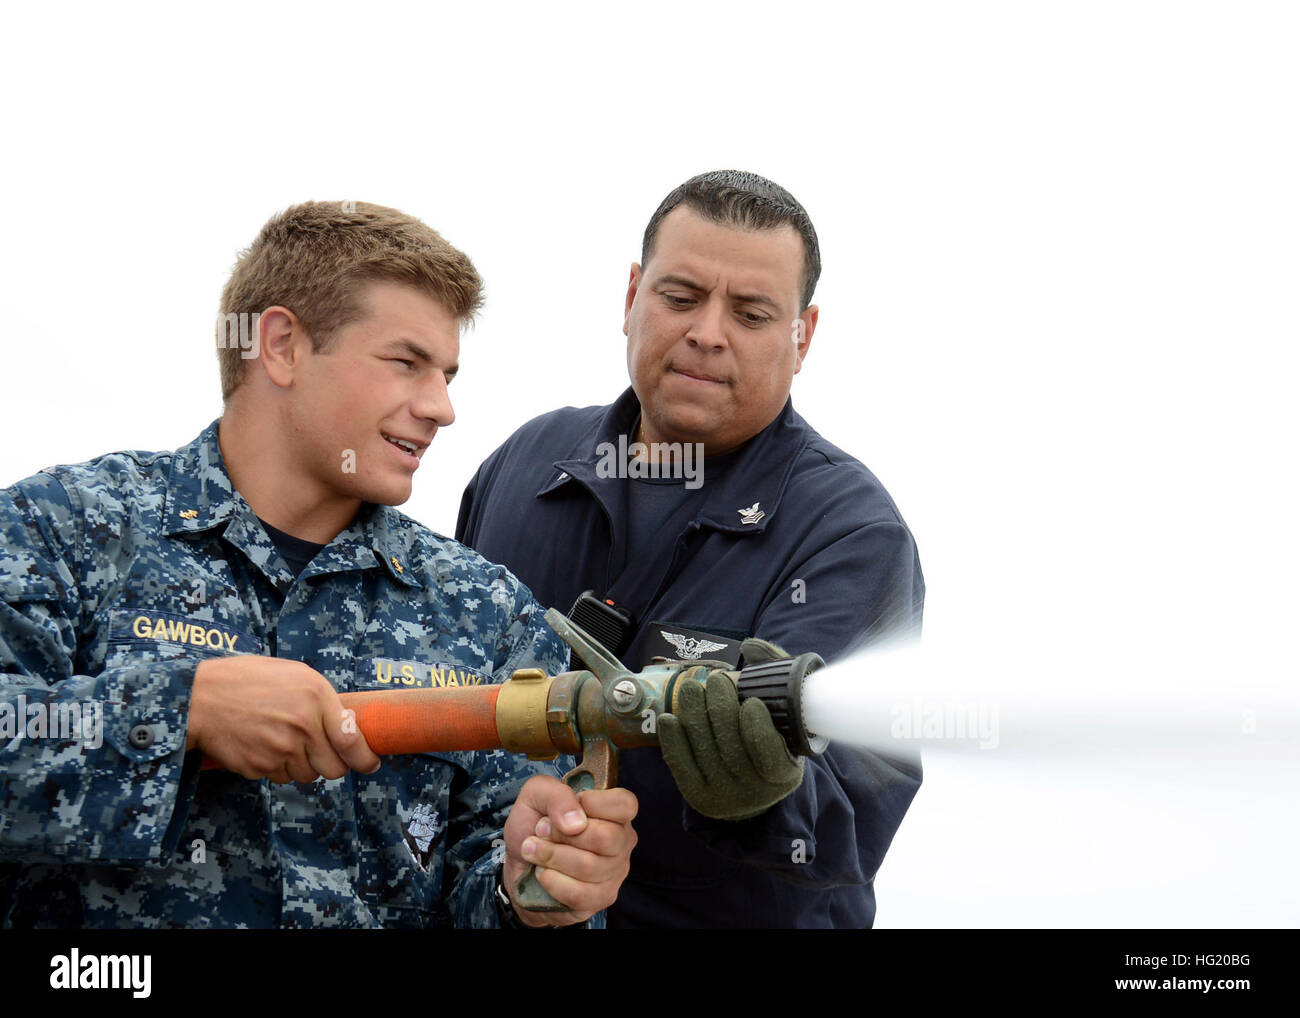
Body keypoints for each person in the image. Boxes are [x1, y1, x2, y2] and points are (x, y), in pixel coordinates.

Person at [0, 201, 636, 929]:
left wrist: (536, 891)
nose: (442, 407)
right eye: (406, 362)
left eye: (449, 373)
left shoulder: (487, 611)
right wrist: (183, 712)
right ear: (280, 346)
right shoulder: (67, 531)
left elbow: (496, 881)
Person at [457, 171, 924, 928]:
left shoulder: (850, 534)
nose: (708, 332)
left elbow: (853, 812)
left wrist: (760, 794)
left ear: (802, 336)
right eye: (680, 297)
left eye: (751, 312)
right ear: (632, 296)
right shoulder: (522, 464)